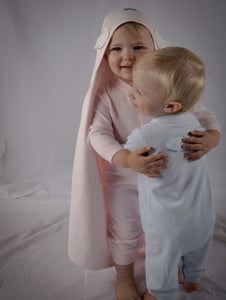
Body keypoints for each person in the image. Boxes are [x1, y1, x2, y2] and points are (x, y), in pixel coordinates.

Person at [68, 9, 221, 300]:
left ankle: (172, 267)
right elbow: (97, 134)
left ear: (155, 49)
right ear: (104, 53)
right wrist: (125, 159)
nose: (128, 56)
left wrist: (211, 138)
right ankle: (123, 277)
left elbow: (204, 114)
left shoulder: (169, 84)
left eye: (138, 47)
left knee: (170, 228)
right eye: (117, 48)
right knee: (124, 228)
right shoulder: (108, 93)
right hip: (124, 180)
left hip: (168, 181)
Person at [123, 47, 215, 300]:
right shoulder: (195, 123)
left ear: (171, 105)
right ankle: (193, 278)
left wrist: (130, 159)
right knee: (198, 247)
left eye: (139, 92)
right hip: (202, 212)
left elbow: (123, 156)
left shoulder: (145, 134)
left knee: (161, 256)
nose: (132, 93)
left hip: (166, 219)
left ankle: (160, 293)